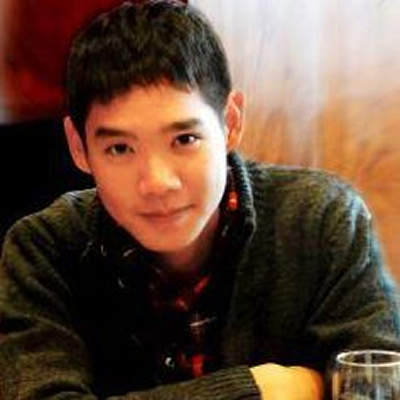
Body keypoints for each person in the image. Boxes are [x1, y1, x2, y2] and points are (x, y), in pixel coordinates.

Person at [0, 1, 399, 399]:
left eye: (185, 139)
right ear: (78, 146)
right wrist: (257, 389)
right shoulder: (43, 249)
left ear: (231, 123)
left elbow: (380, 383)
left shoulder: (322, 220)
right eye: (120, 149)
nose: (157, 183)